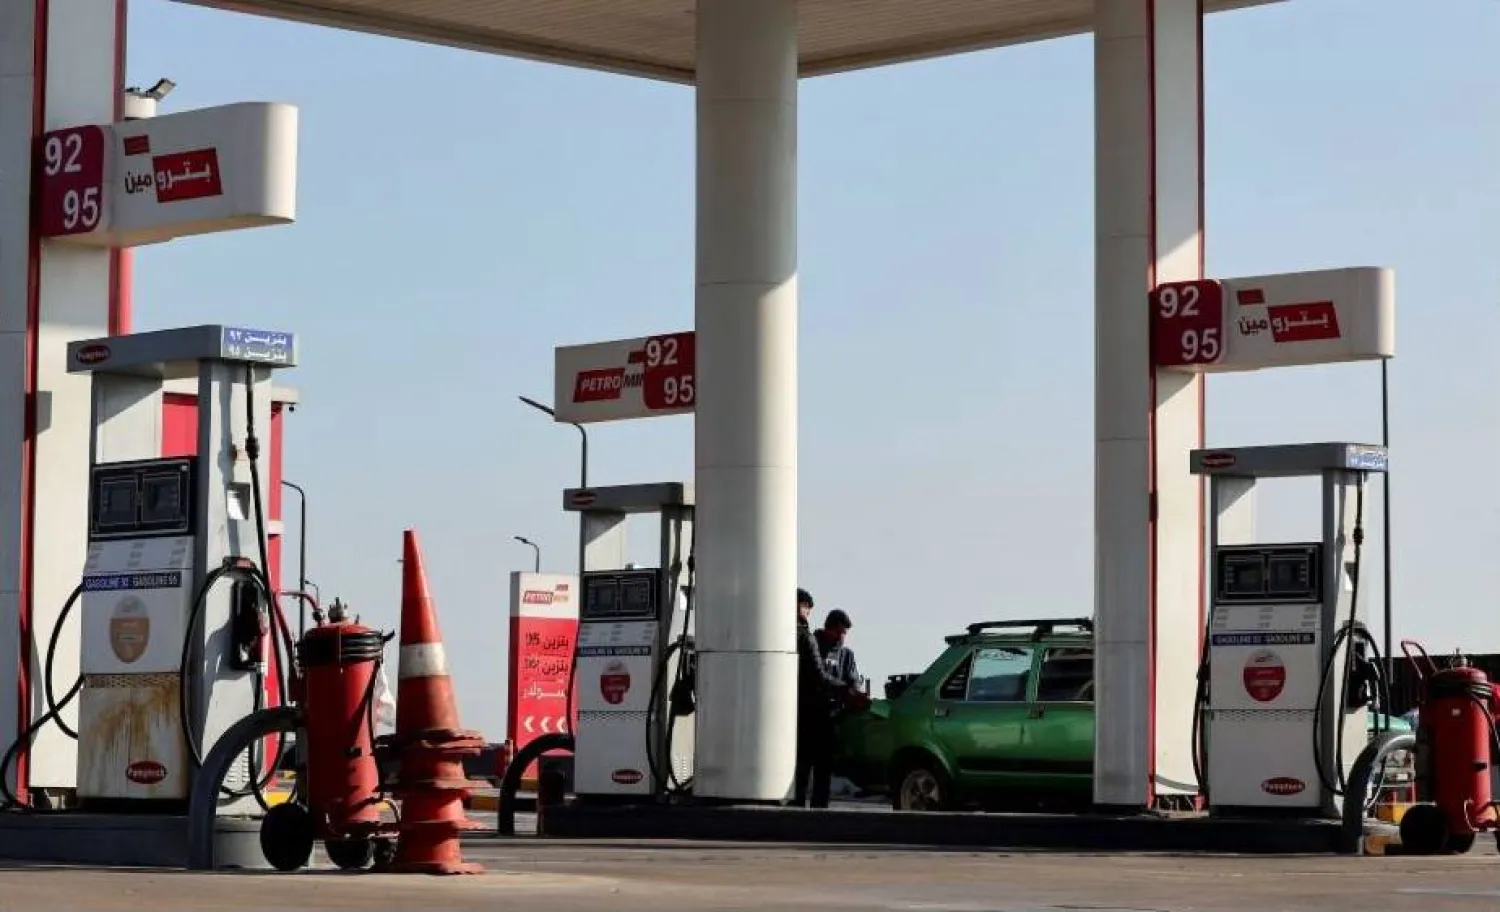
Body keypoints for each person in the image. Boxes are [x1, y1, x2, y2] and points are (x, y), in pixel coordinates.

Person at [794, 588, 845, 808]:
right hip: (815, 713)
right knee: (818, 768)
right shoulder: (805, 636)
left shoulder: (782, 632)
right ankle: (817, 814)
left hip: (799, 712)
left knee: (802, 768)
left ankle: (796, 809)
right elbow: (818, 674)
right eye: (806, 607)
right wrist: (845, 689)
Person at [814, 609, 862, 693]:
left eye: (844, 633)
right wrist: (843, 687)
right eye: (838, 632)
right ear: (827, 629)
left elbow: (854, 680)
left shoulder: (847, 655)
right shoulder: (813, 649)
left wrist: (855, 690)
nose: (840, 637)